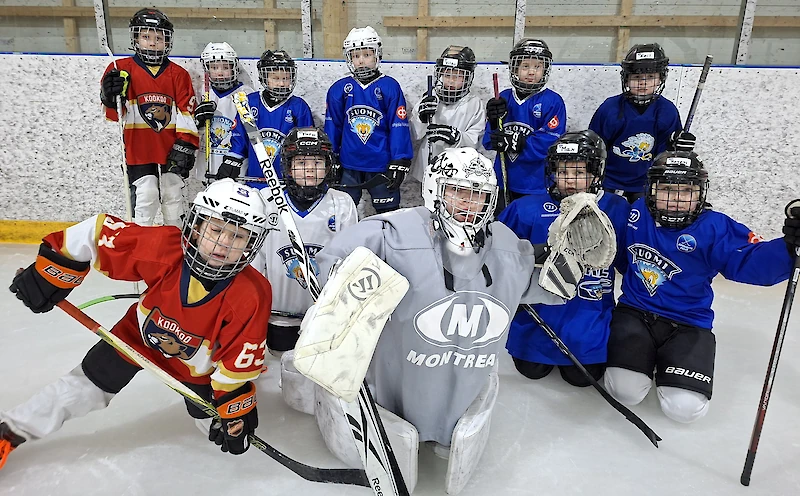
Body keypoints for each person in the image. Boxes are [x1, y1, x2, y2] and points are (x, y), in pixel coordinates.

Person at [281, 147, 579, 492]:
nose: (468, 205)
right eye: (458, 192)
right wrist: (318, 269)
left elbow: (544, 287)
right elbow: (333, 265)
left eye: (478, 195)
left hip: (460, 390)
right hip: (391, 395)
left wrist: (573, 264)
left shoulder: (506, 245)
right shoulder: (391, 233)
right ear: (436, 190)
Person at [0, 179, 277, 467]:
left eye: (239, 236)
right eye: (217, 230)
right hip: (136, 339)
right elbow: (97, 232)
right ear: (197, 227)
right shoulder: (165, 249)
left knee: (213, 426)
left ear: (251, 244)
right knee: (81, 388)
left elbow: (238, 359)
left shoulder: (252, 293)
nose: (224, 244)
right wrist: (51, 271)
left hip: (197, 371)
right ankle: (10, 430)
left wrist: (235, 411)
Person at [603, 150, 798, 423]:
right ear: (651, 190)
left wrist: (788, 248)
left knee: (685, 409)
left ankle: (668, 363)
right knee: (624, 391)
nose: (675, 200)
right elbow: (618, 256)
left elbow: (751, 262)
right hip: (635, 312)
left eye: (686, 191)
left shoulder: (714, 227)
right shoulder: (636, 214)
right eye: (666, 189)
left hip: (688, 323)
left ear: (700, 193)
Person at [498, 130, 630, 387]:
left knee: (582, 378)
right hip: (537, 313)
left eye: (579, 173)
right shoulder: (525, 208)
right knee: (531, 370)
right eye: (563, 172)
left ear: (595, 173)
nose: (570, 180)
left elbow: (629, 263)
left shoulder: (616, 208)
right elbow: (499, 256)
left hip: (588, 313)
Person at [250, 127, 358, 357]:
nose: (309, 170)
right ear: (288, 167)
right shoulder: (267, 200)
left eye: (317, 162)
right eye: (300, 163)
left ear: (328, 166)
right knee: (279, 364)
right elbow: (255, 262)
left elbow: (349, 263)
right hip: (278, 314)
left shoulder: (342, 204)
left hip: (321, 315)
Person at [99, 7, 199, 226]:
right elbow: (116, 115)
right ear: (136, 38)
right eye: (146, 37)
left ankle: (173, 249)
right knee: (146, 197)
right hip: (139, 150)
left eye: (159, 38)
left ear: (168, 41)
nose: (153, 43)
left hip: (171, 150)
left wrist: (185, 146)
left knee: (173, 198)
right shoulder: (120, 69)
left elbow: (186, 113)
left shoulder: (178, 74)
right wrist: (109, 95)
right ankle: (141, 249)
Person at [589, 43, 694, 203]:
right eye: (637, 77)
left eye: (650, 77)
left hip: (646, 183)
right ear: (627, 79)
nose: (643, 83)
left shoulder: (667, 110)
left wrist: (678, 146)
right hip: (608, 181)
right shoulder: (609, 108)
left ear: (660, 79)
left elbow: (666, 157)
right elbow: (594, 147)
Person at [324, 26, 413, 214]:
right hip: (349, 166)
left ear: (377, 54)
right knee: (341, 214)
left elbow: (398, 126)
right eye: (356, 56)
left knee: (388, 215)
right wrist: (331, 157)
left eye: (367, 54)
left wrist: (400, 159)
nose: (361, 60)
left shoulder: (389, 87)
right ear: (349, 58)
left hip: (381, 165)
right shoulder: (339, 89)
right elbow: (333, 126)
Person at [483, 38, 567, 211]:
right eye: (525, 66)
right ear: (515, 69)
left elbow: (550, 144)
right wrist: (493, 123)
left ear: (545, 70)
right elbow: (489, 141)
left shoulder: (553, 101)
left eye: (537, 67)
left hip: (536, 183)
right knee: (500, 228)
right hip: (502, 180)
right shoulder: (503, 98)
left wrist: (516, 142)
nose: (531, 72)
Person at [216, 50, 314, 189]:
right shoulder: (250, 102)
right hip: (254, 181)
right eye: (275, 78)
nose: (281, 84)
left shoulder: (299, 106)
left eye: (285, 78)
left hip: (287, 184)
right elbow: (240, 139)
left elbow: (306, 145)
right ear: (264, 77)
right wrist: (232, 160)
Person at [409, 45, 486, 182]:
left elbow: (476, 141)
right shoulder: (430, 98)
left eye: (457, 76)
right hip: (428, 165)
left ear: (467, 78)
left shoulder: (474, 104)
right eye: (447, 74)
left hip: (459, 170)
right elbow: (413, 135)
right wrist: (421, 119)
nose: (451, 80)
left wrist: (457, 138)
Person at [194, 42, 256, 180]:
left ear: (234, 67)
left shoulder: (246, 94)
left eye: (226, 67)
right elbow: (191, 131)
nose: (220, 72)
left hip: (237, 168)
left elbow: (252, 135)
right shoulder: (202, 94)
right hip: (208, 167)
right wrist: (197, 122)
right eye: (214, 67)